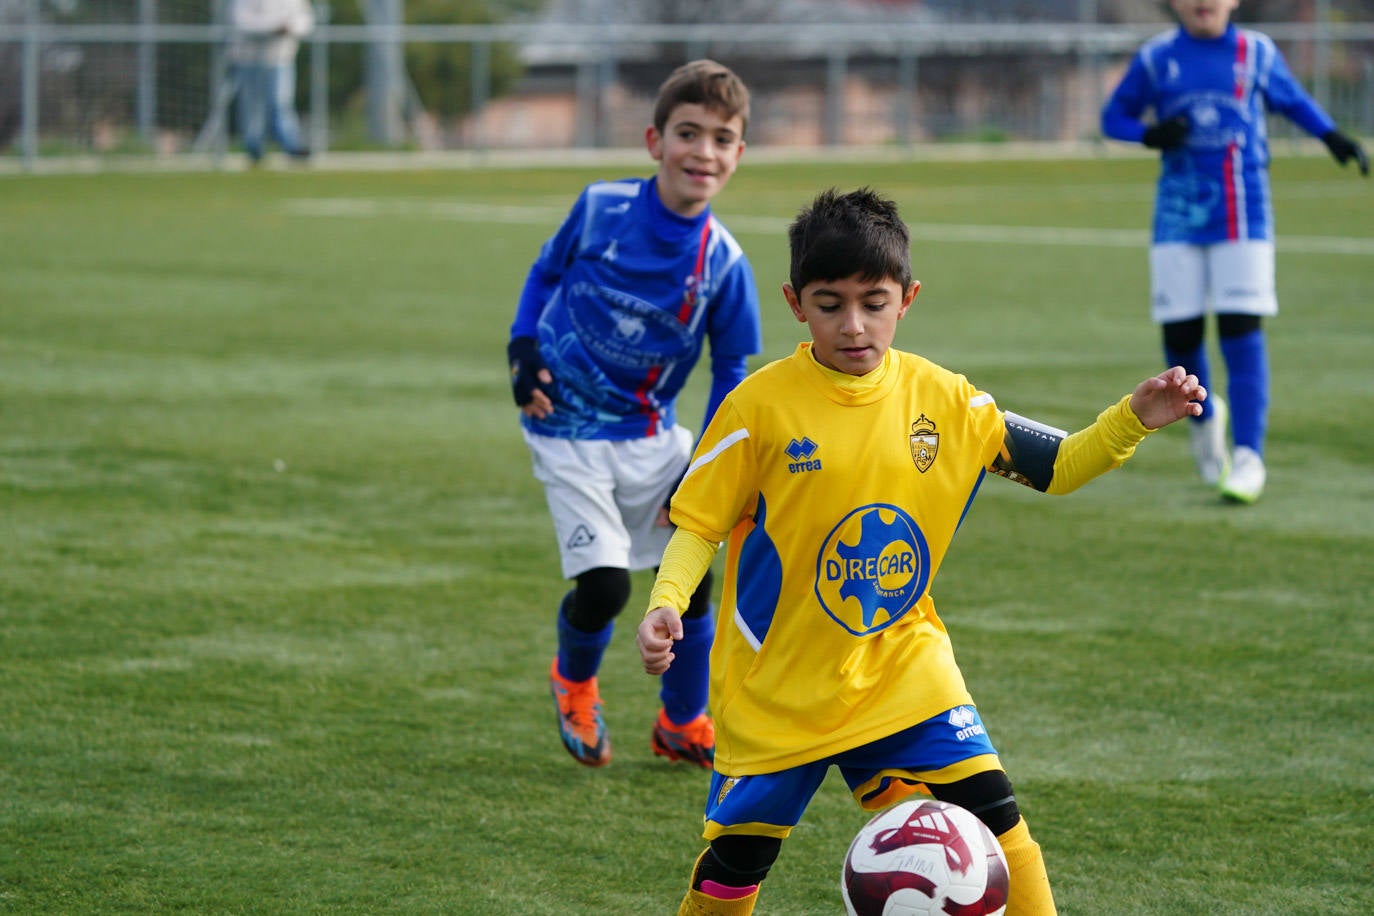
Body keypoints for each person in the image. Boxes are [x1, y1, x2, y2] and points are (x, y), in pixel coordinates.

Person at [635, 187, 1207, 916]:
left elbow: (1058, 466)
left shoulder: (949, 401)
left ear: (907, 298)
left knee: (1002, 830)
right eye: (828, 303)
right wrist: (665, 605)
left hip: (904, 669)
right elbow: (699, 525)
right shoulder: (757, 406)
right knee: (734, 867)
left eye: (874, 302)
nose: (853, 325)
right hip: (780, 690)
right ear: (794, 302)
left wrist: (1131, 420)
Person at [508, 60, 762, 771]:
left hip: (653, 436)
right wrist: (522, 349)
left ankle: (682, 722)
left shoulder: (724, 264)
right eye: (688, 133)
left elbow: (733, 373)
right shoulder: (600, 208)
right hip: (564, 426)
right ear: (655, 140)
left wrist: (710, 467)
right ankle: (575, 682)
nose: (702, 152)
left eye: (721, 139)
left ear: (737, 155)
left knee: (694, 575)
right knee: (609, 584)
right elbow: (544, 271)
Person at [1100, 0, 1368, 504]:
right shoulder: (1158, 57)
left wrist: (1333, 137)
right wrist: (1149, 134)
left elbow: (1293, 101)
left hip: (1244, 216)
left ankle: (1248, 456)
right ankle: (1207, 418)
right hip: (1177, 220)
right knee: (1180, 338)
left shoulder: (1256, 52)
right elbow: (1114, 117)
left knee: (1240, 331)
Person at [229, 0, 314, 164]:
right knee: (251, 107)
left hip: (280, 58)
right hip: (249, 58)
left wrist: (290, 28)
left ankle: (291, 146)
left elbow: (304, 20)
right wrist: (273, 27)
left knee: (280, 104)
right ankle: (254, 148)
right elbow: (241, 20)